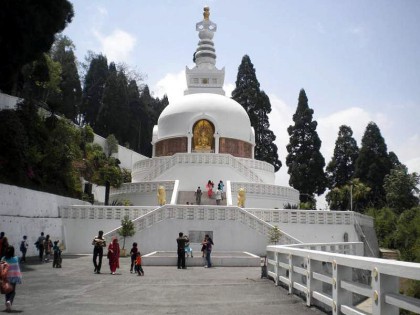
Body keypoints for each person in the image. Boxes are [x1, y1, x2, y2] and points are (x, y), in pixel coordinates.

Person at [1, 246, 22, 312]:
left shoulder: (3, 258)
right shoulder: (16, 258)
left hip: (5, 277)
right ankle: (9, 301)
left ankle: (7, 307)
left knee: (7, 290)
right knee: (12, 291)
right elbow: (19, 263)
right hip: (14, 277)